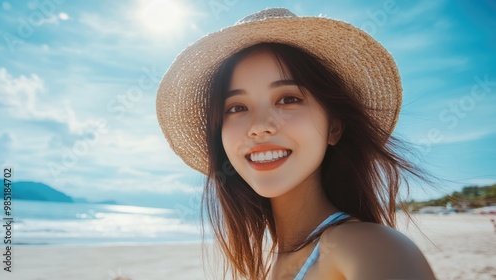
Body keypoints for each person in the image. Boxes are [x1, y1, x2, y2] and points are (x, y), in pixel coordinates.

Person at [156, 7, 436, 280]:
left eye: (288, 99)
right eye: (236, 107)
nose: (259, 126)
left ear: (334, 127)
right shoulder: (275, 263)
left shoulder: (367, 247)